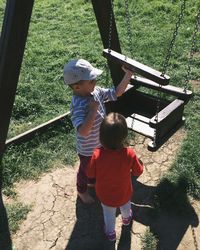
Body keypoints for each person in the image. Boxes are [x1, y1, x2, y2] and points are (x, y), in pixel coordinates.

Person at [63, 58, 133, 204]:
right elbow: (83, 131)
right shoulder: (77, 106)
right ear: (77, 87)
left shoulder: (97, 91)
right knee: (85, 171)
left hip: (101, 142)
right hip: (87, 149)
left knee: (99, 165)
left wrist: (128, 75)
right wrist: (93, 111)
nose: (95, 81)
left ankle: (93, 181)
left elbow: (117, 93)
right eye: (91, 80)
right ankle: (82, 191)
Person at [87, 112, 143, 241]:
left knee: (109, 214)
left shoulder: (97, 155)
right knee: (125, 206)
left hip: (105, 195)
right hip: (124, 192)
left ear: (101, 137)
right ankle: (126, 219)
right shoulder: (129, 153)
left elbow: (90, 174)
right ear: (124, 136)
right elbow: (138, 172)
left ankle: (111, 233)